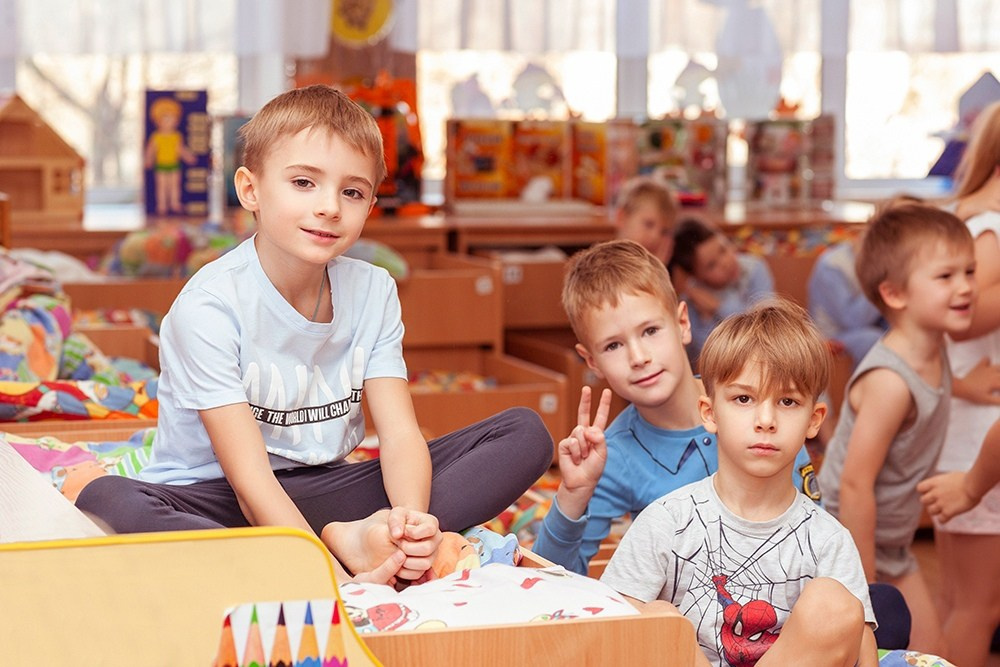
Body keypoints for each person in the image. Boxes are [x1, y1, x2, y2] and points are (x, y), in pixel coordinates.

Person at [77, 85, 553, 585]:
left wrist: (407, 526)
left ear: (370, 204)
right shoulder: (209, 306)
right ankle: (328, 550)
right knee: (109, 498)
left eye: (352, 192)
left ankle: (362, 539)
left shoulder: (373, 290)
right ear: (250, 190)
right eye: (304, 182)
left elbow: (398, 434)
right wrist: (333, 582)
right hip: (217, 498)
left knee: (524, 433)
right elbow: (250, 481)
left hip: (330, 487)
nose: (330, 207)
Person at [600, 299, 878, 667]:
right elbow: (610, 632)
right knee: (652, 617)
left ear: (814, 420)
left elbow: (862, 653)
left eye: (788, 402)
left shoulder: (829, 539)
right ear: (710, 412)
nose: (766, 420)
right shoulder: (666, 521)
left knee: (835, 603)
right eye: (744, 398)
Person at [530, 239, 817, 578]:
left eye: (650, 330)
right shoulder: (610, 457)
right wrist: (572, 495)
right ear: (592, 361)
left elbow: (817, 537)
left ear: (682, 323)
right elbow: (551, 579)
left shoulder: (759, 407)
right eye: (613, 345)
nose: (639, 357)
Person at [816, 202, 976, 655]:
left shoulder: (932, 348)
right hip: (849, 541)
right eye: (945, 276)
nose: (966, 286)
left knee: (930, 654)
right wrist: (865, 589)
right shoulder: (889, 382)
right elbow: (854, 484)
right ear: (895, 294)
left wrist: (971, 385)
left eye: (969, 271)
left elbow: (930, 394)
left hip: (891, 543)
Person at [924, 99, 1000, 667]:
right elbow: (961, 316)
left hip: (968, 430)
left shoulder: (974, 220)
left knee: (959, 600)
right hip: (979, 440)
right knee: (978, 606)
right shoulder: (989, 228)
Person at [668, 217, 775, 363]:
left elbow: (766, 326)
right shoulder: (691, 301)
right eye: (711, 265)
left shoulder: (755, 269)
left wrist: (717, 306)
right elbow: (707, 353)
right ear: (696, 277)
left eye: (723, 249)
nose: (725, 263)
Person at [807, 235, 887, 370]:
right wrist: (878, 282)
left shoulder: (874, 261)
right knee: (872, 339)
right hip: (832, 336)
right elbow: (852, 320)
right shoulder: (832, 265)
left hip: (865, 328)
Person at [144, 96, 196, 216]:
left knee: (174, 185)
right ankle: (162, 204)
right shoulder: (156, 137)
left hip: (174, 165)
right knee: (161, 186)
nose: (169, 122)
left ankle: (174, 203)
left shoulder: (176, 136)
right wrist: (148, 160)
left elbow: (180, 149)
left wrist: (188, 157)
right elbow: (151, 150)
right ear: (158, 121)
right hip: (161, 165)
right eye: (165, 119)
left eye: (172, 119)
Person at [613, 174, 678, 265]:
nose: (655, 237)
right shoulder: (606, 264)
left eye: (664, 231)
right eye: (649, 224)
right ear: (622, 218)